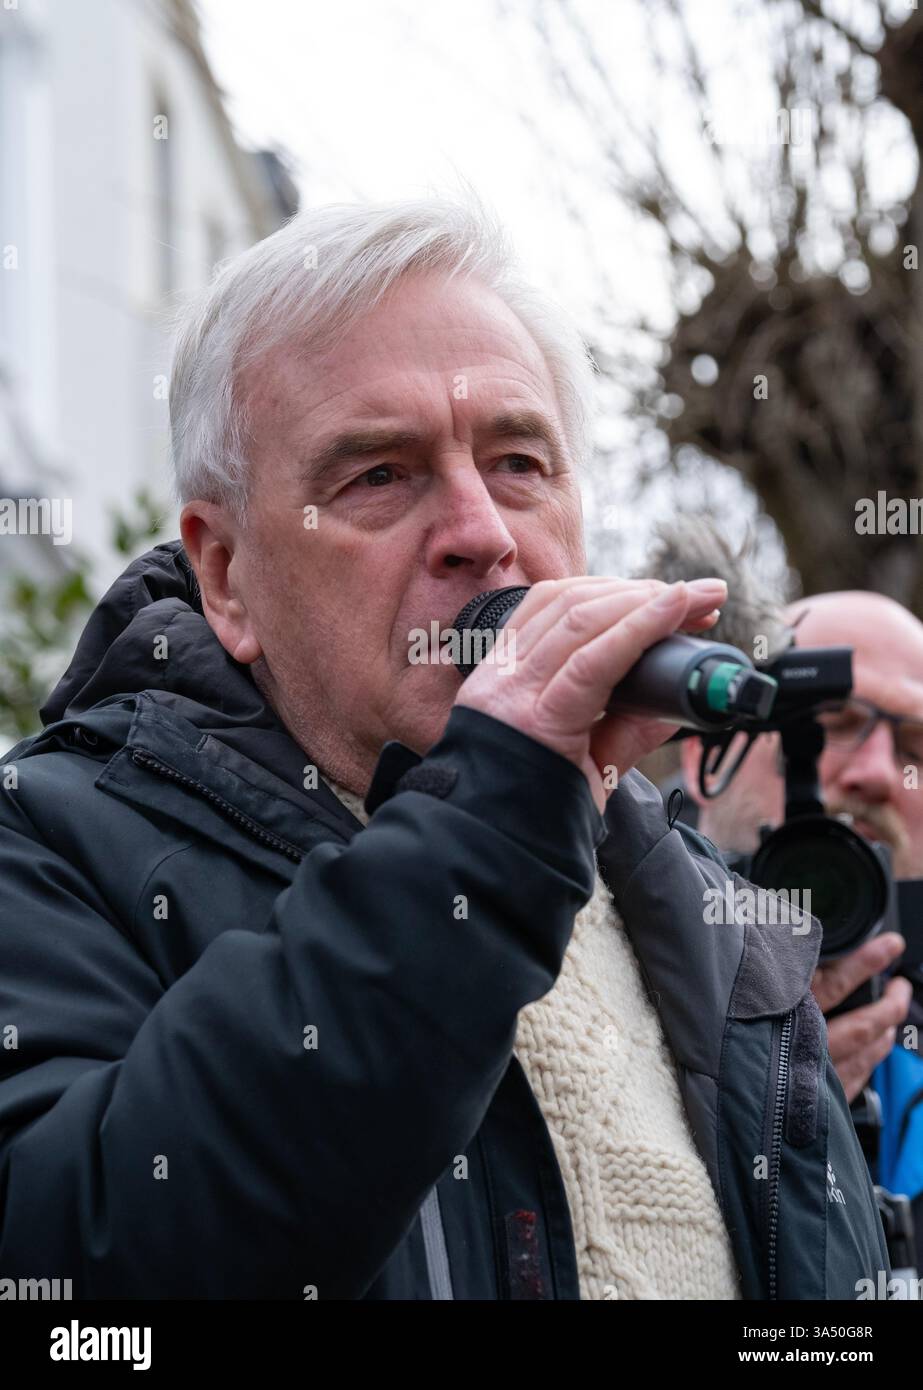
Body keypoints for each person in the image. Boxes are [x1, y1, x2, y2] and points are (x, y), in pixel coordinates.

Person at [0, 198, 887, 1300]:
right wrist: (489, 824)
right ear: (225, 574)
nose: (480, 530)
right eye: (378, 475)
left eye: (518, 461)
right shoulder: (43, 852)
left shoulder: (707, 912)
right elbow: (79, 1272)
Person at [677, 588, 923, 1253]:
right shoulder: (579, 983)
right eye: (830, 722)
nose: (876, 771)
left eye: (914, 745)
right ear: (705, 757)